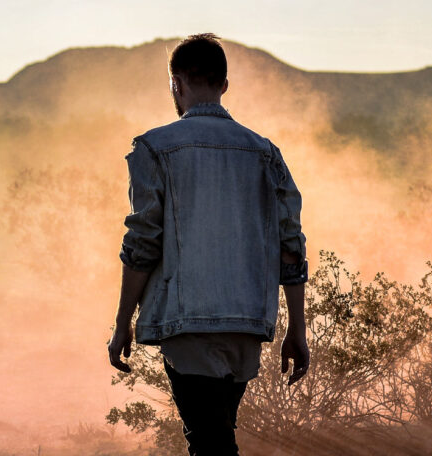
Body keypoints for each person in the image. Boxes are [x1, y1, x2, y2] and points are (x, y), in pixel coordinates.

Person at [106, 33, 310, 455]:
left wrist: (123, 321)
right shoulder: (266, 153)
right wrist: (297, 329)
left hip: (188, 324)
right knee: (216, 435)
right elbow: (290, 247)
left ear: (175, 84)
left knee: (209, 442)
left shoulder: (155, 148)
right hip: (247, 324)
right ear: (224, 85)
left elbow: (143, 243)